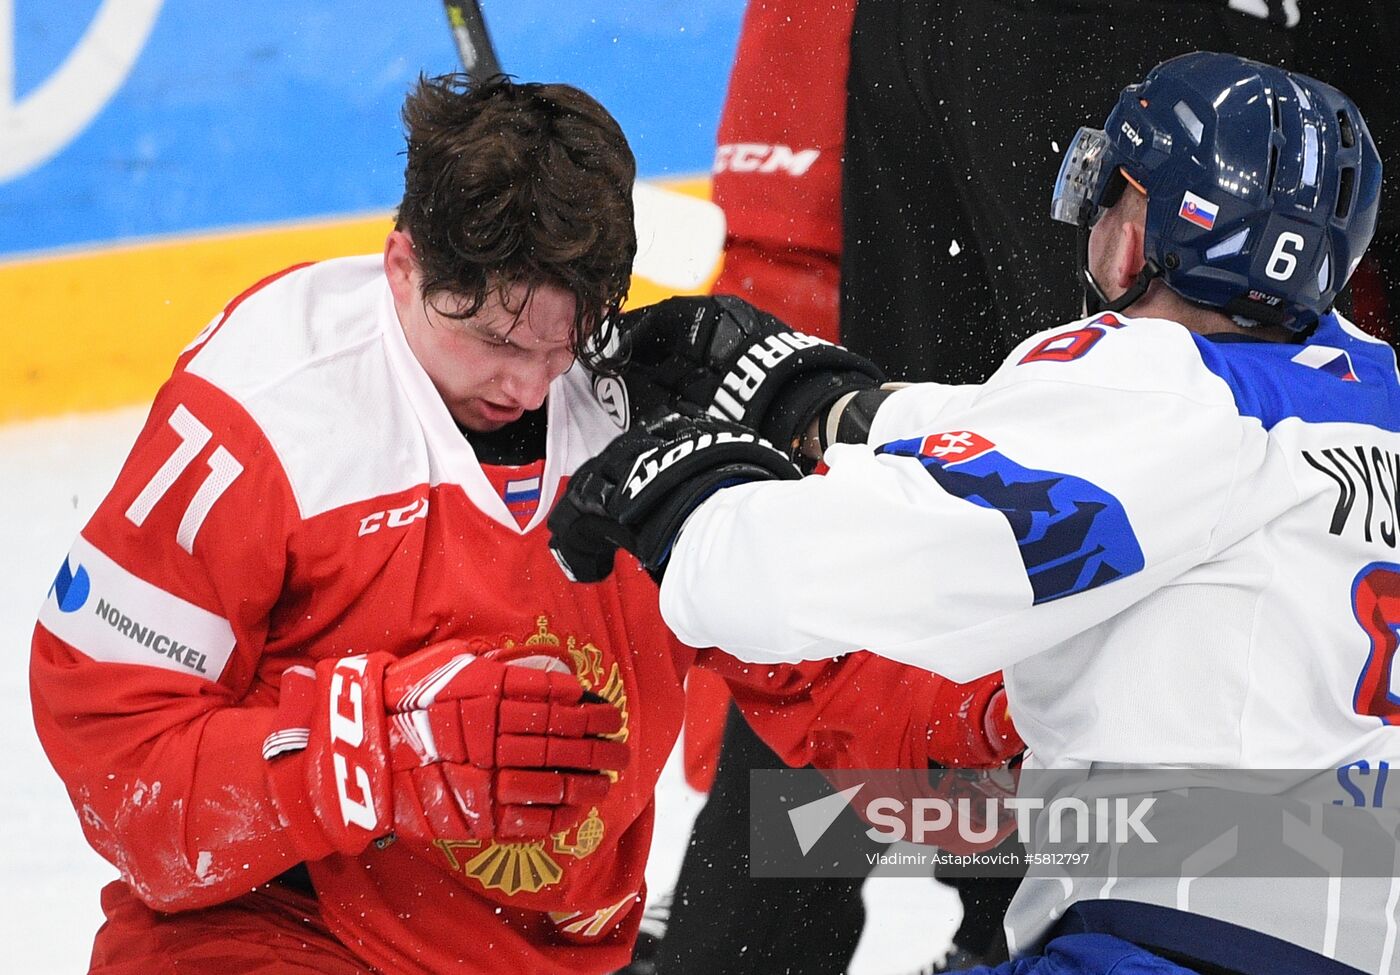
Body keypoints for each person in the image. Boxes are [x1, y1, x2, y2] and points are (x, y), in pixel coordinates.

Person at [30, 73, 1022, 975]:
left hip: (541, 952)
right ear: (402, 262)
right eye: (490, 339)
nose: (525, 386)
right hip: (279, 935)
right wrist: (379, 749)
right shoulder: (263, 413)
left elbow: (823, 673)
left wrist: (1003, 709)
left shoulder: (637, 411)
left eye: (559, 345)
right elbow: (119, 769)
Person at [549, 51, 1390, 974]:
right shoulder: (1369, 389)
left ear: (1147, 236)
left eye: (1117, 191)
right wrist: (815, 399)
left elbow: (819, 575)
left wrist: (690, 499)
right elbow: (1090, 447)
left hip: (1173, 943)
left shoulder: (1156, 384)